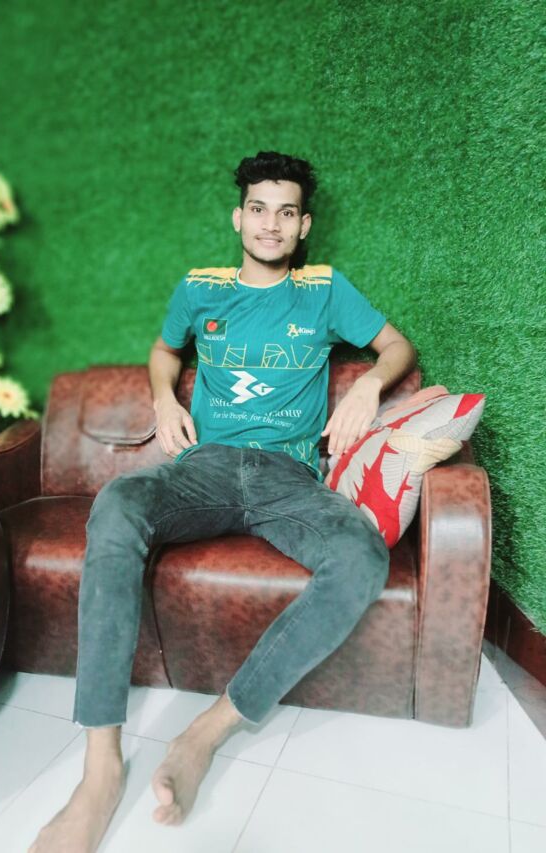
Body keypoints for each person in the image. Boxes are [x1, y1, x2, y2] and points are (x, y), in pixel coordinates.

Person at [30, 151, 416, 852]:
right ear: (239, 217)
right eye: (259, 209)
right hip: (203, 470)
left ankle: (205, 734)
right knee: (117, 503)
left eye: (287, 212)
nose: (272, 224)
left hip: (287, 477)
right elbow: (163, 350)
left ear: (304, 226)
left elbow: (396, 347)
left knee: (361, 554)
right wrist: (162, 397)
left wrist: (368, 384)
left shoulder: (325, 290)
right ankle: (100, 768)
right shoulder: (199, 288)